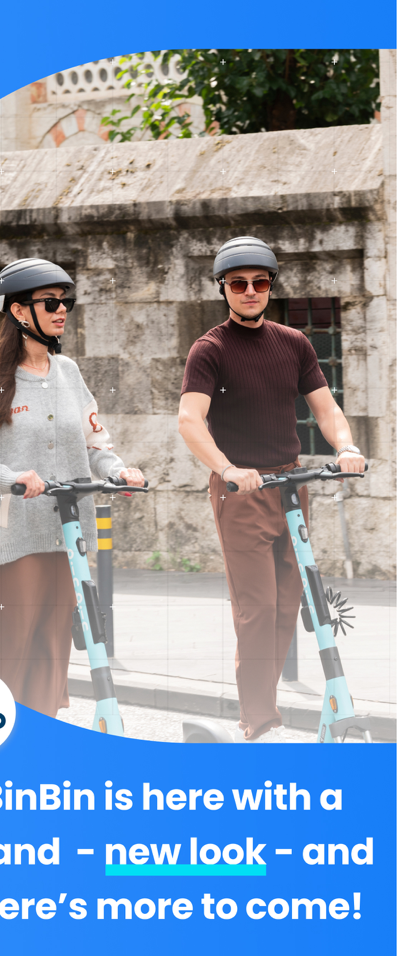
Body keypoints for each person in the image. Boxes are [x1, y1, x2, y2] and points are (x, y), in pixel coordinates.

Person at [0, 257, 144, 717]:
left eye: (65, 301)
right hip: (15, 542)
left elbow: (94, 443)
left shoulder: (68, 372)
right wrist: (10, 479)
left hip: (68, 539)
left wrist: (118, 470)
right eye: (50, 302)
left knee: (50, 655)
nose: (62, 310)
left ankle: (35, 753)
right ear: (17, 311)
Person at [178, 236, 365, 742]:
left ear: (270, 286)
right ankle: (257, 722)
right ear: (223, 288)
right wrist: (227, 468)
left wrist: (345, 448)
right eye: (238, 283)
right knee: (257, 608)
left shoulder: (294, 342)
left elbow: (325, 408)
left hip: (290, 485)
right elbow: (190, 419)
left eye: (259, 282)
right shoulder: (210, 349)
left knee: (290, 603)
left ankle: (268, 711)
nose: (250, 291)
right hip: (240, 490)